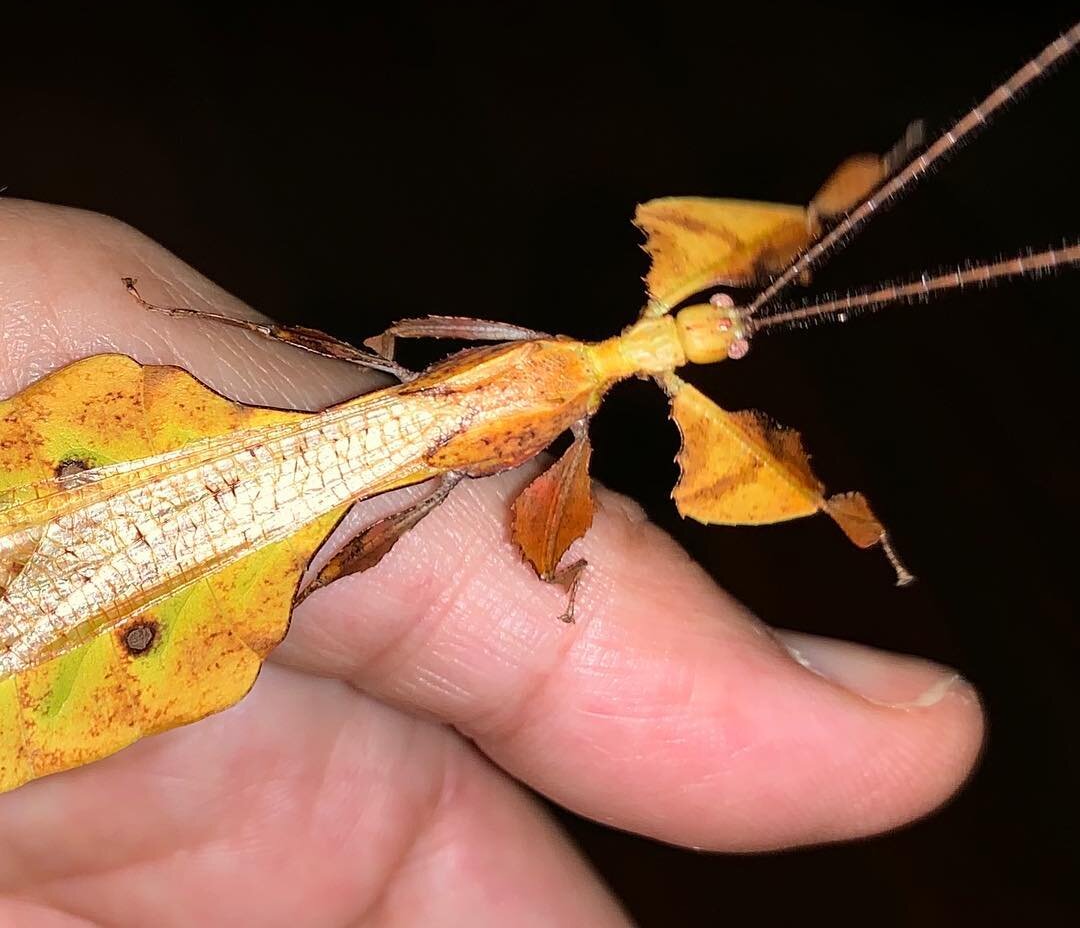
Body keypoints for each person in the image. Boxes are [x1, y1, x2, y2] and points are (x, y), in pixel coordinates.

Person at [0, 200, 983, 925]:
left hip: (299, 480)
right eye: (712, 324)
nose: (711, 331)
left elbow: (400, 349)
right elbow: (476, 440)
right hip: (295, 471)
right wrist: (553, 576)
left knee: (367, 387)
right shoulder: (567, 398)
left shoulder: (550, 361)